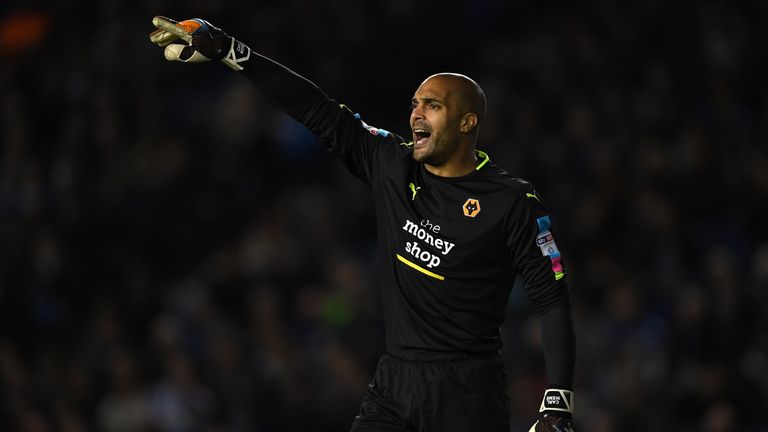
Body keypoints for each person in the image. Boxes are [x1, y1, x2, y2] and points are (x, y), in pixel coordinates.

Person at [149, 16, 576, 432]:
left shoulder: (512, 201)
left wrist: (557, 402)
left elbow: (552, 297)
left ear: (468, 122)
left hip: (466, 394)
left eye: (432, 105)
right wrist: (232, 51)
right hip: (395, 381)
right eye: (414, 104)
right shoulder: (391, 163)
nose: (417, 115)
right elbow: (317, 109)